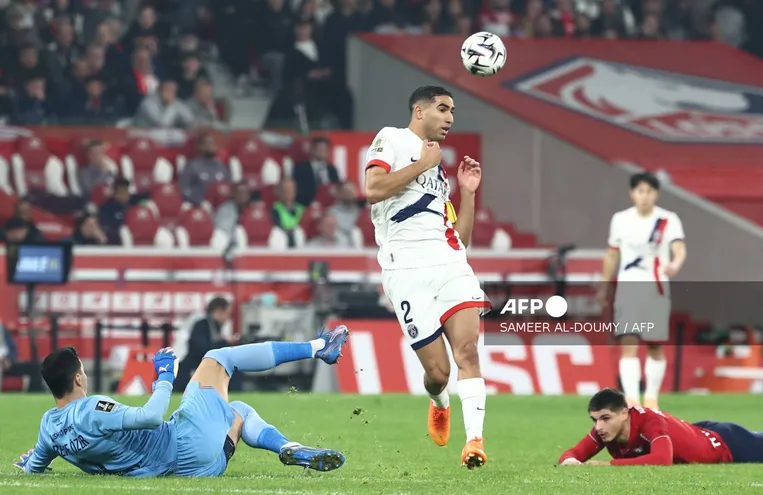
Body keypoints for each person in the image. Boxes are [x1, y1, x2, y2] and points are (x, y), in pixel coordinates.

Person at [13, 325, 351, 476]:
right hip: (182, 444)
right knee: (218, 357)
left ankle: (287, 446)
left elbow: (33, 467)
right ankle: (318, 348)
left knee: (238, 412)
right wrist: (164, 377)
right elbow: (150, 417)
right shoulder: (92, 408)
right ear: (78, 379)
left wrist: (30, 461)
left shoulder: (48, 429)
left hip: (199, 467)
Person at [363, 85, 491, 468]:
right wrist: (421, 163)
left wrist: (467, 193)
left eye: (453, 110)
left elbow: (460, 239)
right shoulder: (393, 138)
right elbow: (372, 189)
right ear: (419, 111)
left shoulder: (438, 170)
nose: (450, 117)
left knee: (468, 351)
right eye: (442, 108)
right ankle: (439, 401)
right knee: (438, 373)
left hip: (450, 266)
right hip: (404, 271)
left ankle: (474, 442)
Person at [558, 346, 763, 466]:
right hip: (702, 432)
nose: (598, 427)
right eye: (596, 420)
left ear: (625, 412)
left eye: (604, 418)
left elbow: (663, 460)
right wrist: (573, 461)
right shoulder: (609, 429)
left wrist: (604, 465)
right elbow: (570, 456)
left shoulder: (649, 421)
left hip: (726, 445)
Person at [597, 172, 686, 410]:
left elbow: (678, 248)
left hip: (656, 288)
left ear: (656, 194)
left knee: (655, 344)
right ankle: (632, 399)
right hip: (628, 288)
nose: (644, 196)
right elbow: (612, 253)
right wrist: (605, 285)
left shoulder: (668, 219)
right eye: (640, 191)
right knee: (629, 342)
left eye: (649, 191)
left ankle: (652, 398)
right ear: (632, 193)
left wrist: (675, 264)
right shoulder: (621, 219)